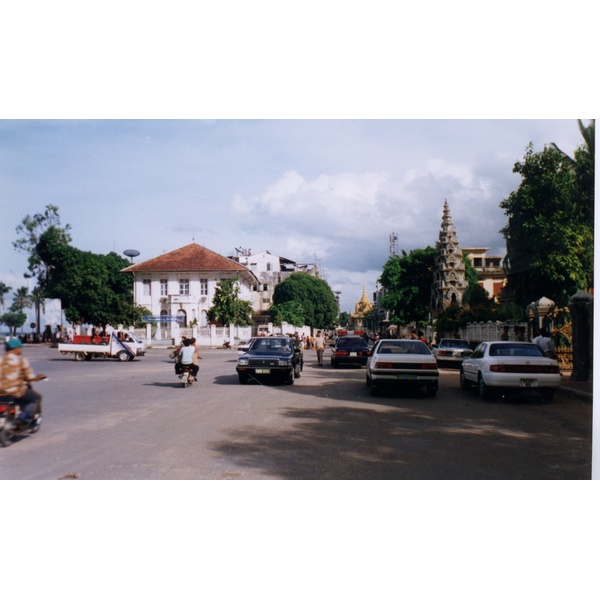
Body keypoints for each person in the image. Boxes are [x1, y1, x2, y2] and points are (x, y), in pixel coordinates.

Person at [0, 338, 46, 424]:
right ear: (15, 348)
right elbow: (30, 377)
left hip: (1, 392)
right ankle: (23, 417)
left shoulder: (1, 360)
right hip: (15, 391)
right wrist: (38, 377)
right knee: (36, 398)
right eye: (19, 348)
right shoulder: (21, 360)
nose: (20, 350)